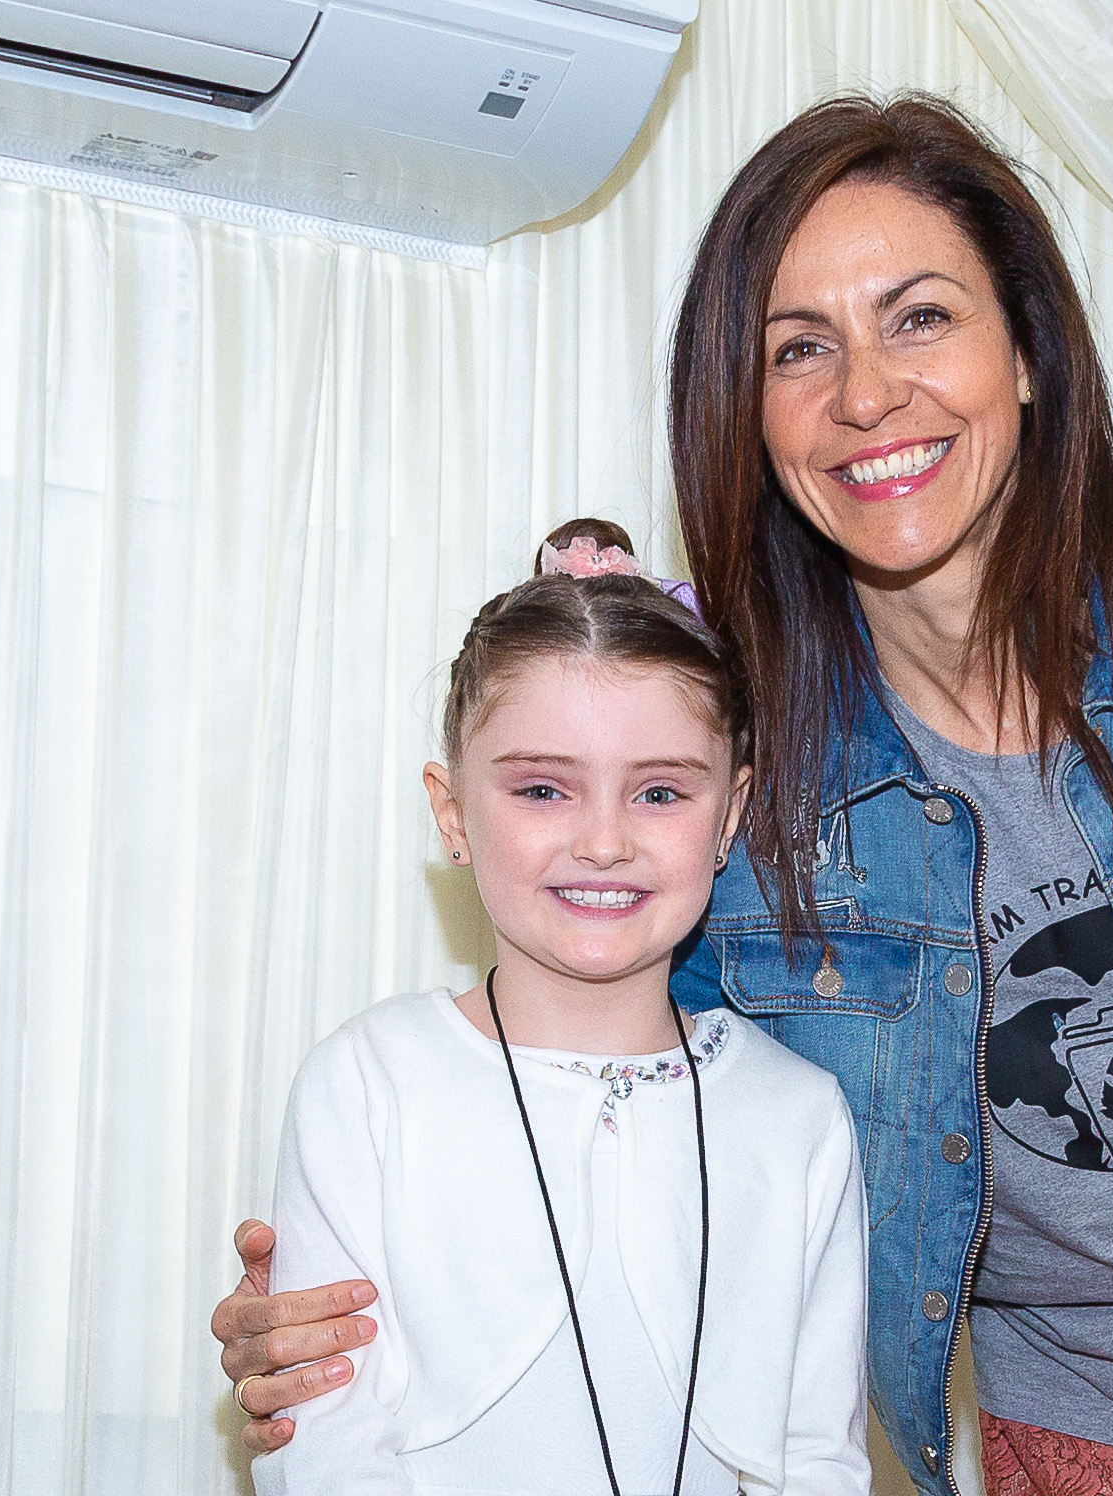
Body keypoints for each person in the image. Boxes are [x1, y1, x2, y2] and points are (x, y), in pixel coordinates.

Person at [217, 94, 1113, 1496]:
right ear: (750, 415)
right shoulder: (748, 790)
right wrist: (341, 1322)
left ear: (1027, 355)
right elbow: (621, 1117)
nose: (867, 393)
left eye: (922, 318)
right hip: (1073, 1457)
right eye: (799, 349)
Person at [247, 555, 872, 1495]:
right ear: (451, 812)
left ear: (731, 814)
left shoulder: (799, 1115)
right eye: (543, 789)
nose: (604, 840)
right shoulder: (371, 1081)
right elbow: (328, 1441)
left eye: (659, 792)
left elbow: (817, 1453)